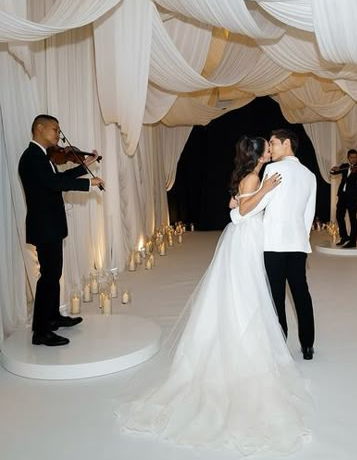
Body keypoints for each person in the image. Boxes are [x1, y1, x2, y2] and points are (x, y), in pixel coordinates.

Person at [116, 136, 312, 454]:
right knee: (247, 292)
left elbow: (235, 206)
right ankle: (244, 343)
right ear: (259, 154)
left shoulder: (253, 175)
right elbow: (243, 210)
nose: (269, 149)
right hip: (246, 238)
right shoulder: (255, 177)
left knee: (249, 292)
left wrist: (242, 202)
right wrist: (262, 192)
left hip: (245, 236)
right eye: (266, 146)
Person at [18, 114, 104, 347]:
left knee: (53, 274)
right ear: (39, 128)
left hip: (50, 225)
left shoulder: (42, 157)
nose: (58, 134)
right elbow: (54, 185)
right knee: (48, 277)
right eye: (55, 129)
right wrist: (89, 183)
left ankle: (53, 317)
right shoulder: (31, 157)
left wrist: (86, 167)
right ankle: (40, 332)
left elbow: (59, 177)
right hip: (44, 226)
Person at [231, 129, 317, 360]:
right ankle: (307, 346)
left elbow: (258, 204)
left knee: (276, 296)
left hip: (273, 243)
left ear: (286, 143)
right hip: (298, 244)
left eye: (273, 143)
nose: (270, 148)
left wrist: (237, 214)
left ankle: (280, 344)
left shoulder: (274, 169)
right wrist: (301, 238)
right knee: (301, 294)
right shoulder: (310, 175)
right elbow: (309, 215)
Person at [330, 149, 357, 249]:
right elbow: (333, 173)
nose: (354, 159)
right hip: (342, 195)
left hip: (352, 196)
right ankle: (344, 237)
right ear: (348, 158)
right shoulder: (344, 166)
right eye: (352, 157)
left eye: (355, 157)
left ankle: (352, 241)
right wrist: (334, 169)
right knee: (339, 216)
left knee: (353, 218)